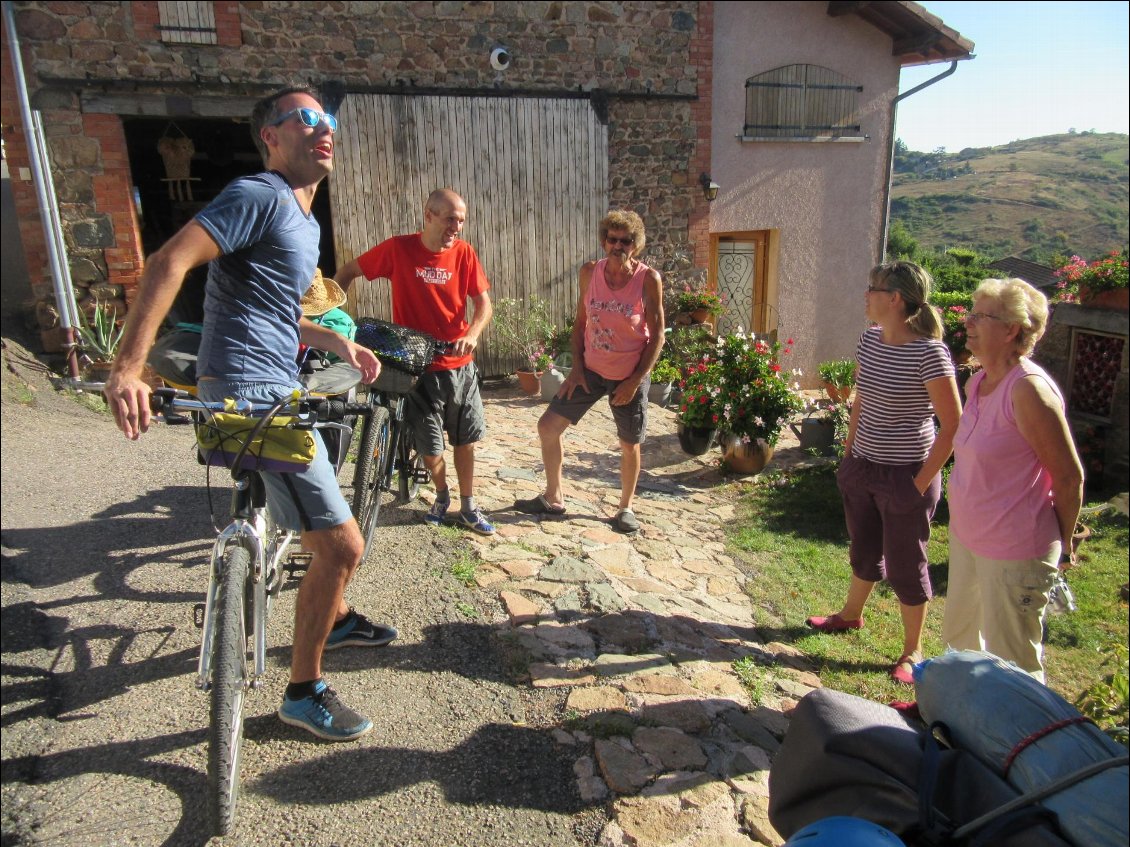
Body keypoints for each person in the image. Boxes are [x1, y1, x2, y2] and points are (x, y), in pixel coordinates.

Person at [103, 86, 396, 742]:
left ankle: (335, 614)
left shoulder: (301, 218)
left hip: (273, 384)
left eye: (329, 119)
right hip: (249, 394)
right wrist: (127, 366)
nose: (323, 129)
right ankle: (303, 690)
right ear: (270, 135)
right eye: (305, 119)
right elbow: (169, 259)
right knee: (344, 544)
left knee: (316, 530)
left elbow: (278, 312)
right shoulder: (259, 194)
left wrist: (337, 340)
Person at [806, 261, 961, 685]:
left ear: (894, 299)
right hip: (864, 467)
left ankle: (913, 651)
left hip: (907, 475)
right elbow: (859, 400)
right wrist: (850, 455)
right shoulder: (870, 340)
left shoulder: (930, 353)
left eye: (871, 289)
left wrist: (919, 483)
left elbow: (953, 426)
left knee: (906, 565)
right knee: (864, 548)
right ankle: (851, 615)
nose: (865, 295)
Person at [942, 278, 1083, 682]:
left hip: (1015, 549)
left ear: (1012, 330)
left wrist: (1067, 541)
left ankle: (1015, 743)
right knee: (960, 642)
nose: (967, 322)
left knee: (1012, 665)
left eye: (980, 315)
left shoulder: (1029, 391)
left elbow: (1069, 476)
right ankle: (954, 722)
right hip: (969, 536)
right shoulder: (978, 381)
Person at [334, 189, 495, 535]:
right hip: (415, 365)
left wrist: (474, 333)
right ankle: (441, 495)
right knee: (430, 445)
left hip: (459, 364)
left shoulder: (465, 254)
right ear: (429, 215)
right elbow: (348, 271)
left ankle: (468, 506)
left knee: (465, 440)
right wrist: (333, 315)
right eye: (450, 218)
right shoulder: (398, 249)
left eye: (462, 220)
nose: (457, 226)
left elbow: (484, 305)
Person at [514, 209, 664, 535]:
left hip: (628, 374)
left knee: (628, 444)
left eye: (626, 241)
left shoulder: (647, 280)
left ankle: (625, 508)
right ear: (604, 240)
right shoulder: (589, 272)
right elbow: (581, 323)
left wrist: (636, 381)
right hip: (591, 371)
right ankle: (553, 497)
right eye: (612, 239)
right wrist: (577, 369)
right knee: (548, 426)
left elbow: (658, 334)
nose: (618, 245)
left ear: (635, 245)